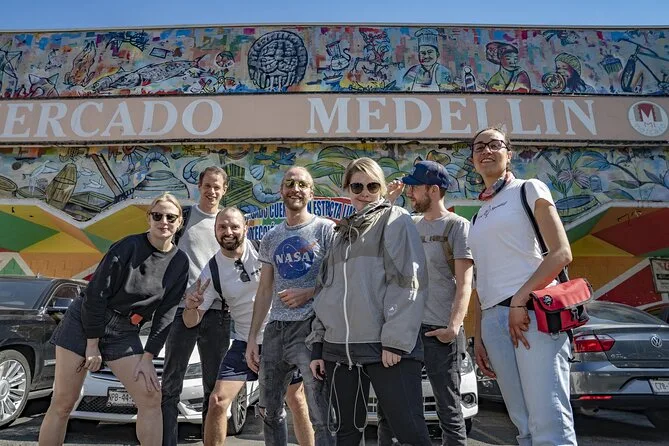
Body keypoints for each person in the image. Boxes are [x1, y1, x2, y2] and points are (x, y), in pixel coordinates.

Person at [38, 193, 189, 446]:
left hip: (124, 331)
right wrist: (92, 344)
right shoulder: (128, 246)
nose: (164, 222)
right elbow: (96, 294)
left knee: (151, 398)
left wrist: (148, 357)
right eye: (158, 216)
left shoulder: (180, 262)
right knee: (63, 402)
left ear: (180, 222)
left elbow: (167, 314)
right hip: (84, 321)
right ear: (149, 219)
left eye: (171, 217)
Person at [307, 157, 432, 446]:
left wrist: (395, 341)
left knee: (410, 433)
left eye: (372, 186)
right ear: (347, 189)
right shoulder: (341, 234)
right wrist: (318, 346)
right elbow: (326, 292)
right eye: (357, 186)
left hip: (384, 348)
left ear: (382, 188)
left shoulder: (395, 218)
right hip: (339, 352)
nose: (364, 192)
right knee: (347, 434)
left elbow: (409, 280)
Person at [469, 126, 577, 446]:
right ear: (473, 160)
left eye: (494, 144)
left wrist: (520, 300)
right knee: (522, 422)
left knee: (548, 418)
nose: (486, 151)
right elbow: (482, 279)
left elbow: (561, 253)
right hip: (494, 321)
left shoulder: (529, 189)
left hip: (530, 314)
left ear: (509, 153)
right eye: (479, 147)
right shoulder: (478, 215)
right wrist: (479, 334)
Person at [182, 207, 313, 445]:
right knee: (217, 401)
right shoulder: (212, 270)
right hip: (244, 342)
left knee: (296, 400)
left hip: (280, 339)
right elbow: (191, 321)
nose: (228, 232)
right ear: (215, 230)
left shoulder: (265, 251)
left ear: (246, 227)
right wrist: (191, 307)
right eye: (222, 227)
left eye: (234, 226)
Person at [385, 160, 474, 446]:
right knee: (397, 409)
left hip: (440, 333)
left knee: (448, 409)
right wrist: (389, 200)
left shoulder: (457, 226)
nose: (410, 192)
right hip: (408, 331)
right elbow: (379, 233)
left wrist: (453, 328)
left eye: (415, 187)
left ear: (433, 190)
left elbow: (465, 283)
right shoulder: (409, 223)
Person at [245, 167, 336, 446]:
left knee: (321, 413)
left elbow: (339, 279)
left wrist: (309, 292)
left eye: (302, 184)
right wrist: (253, 337)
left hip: (310, 330)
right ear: (281, 191)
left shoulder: (325, 229)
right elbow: (264, 290)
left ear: (311, 193)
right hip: (276, 330)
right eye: (289, 183)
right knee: (269, 411)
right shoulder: (271, 237)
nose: (295, 188)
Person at [161, 166, 230, 446]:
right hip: (181, 312)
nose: (212, 191)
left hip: (218, 315)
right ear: (199, 186)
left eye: (217, 186)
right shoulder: (184, 217)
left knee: (213, 390)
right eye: (207, 185)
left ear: (224, 190)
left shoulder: (227, 223)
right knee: (170, 385)